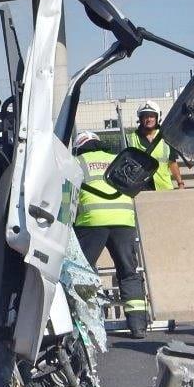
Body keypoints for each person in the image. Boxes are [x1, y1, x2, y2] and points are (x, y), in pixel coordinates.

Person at [73, 130, 149, 338]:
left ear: (79, 147)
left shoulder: (77, 162)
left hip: (91, 221)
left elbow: (68, 196)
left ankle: (88, 324)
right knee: (129, 272)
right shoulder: (117, 159)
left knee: (83, 271)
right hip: (123, 220)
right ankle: (138, 326)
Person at [127, 101, 184, 190]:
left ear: (157, 118)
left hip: (165, 188)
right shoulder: (131, 139)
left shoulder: (166, 138)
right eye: (145, 116)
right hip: (141, 190)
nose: (149, 119)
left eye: (152, 116)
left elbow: (172, 162)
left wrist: (180, 183)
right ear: (140, 119)